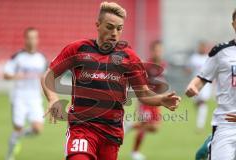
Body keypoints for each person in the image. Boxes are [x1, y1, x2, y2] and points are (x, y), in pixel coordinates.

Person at [41, 2, 181, 160]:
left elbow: (143, 94)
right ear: (98, 25)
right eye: (109, 27)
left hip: (111, 133)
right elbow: (49, 75)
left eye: (119, 28)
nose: (114, 33)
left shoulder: (129, 57)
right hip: (82, 128)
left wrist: (161, 99)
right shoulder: (78, 49)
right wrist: (53, 99)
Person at [186, 9, 236, 160]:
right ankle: (212, 144)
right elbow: (202, 77)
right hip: (226, 122)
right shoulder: (221, 51)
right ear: (233, 24)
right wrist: (193, 86)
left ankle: (209, 145)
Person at [4, 27, 47, 160]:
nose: (32, 40)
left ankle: (18, 137)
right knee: (18, 126)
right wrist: (17, 75)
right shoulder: (18, 57)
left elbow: (45, 78)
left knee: (38, 129)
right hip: (19, 96)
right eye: (29, 37)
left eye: (34, 37)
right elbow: (6, 74)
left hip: (35, 98)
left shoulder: (41, 58)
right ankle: (9, 156)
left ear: (37, 39)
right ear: (25, 39)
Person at [125, 40, 168, 160]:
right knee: (146, 125)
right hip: (145, 100)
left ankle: (130, 126)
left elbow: (161, 83)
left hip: (156, 100)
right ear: (152, 51)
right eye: (156, 50)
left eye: (160, 50)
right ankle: (134, 152)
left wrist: (162, 97)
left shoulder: (163, 65)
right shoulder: (146, 65)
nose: (158, 52)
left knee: (155, 128)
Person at [186, 41, 212, 132]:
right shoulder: (194, 58)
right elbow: (188, 69)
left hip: (205, 84)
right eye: (201, 47)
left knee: (202, 102)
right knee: (197, 104)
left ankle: (200, 126)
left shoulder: (209, 58)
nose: (202, 48)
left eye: (204, 47)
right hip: (195, 84)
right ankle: (200, 121)